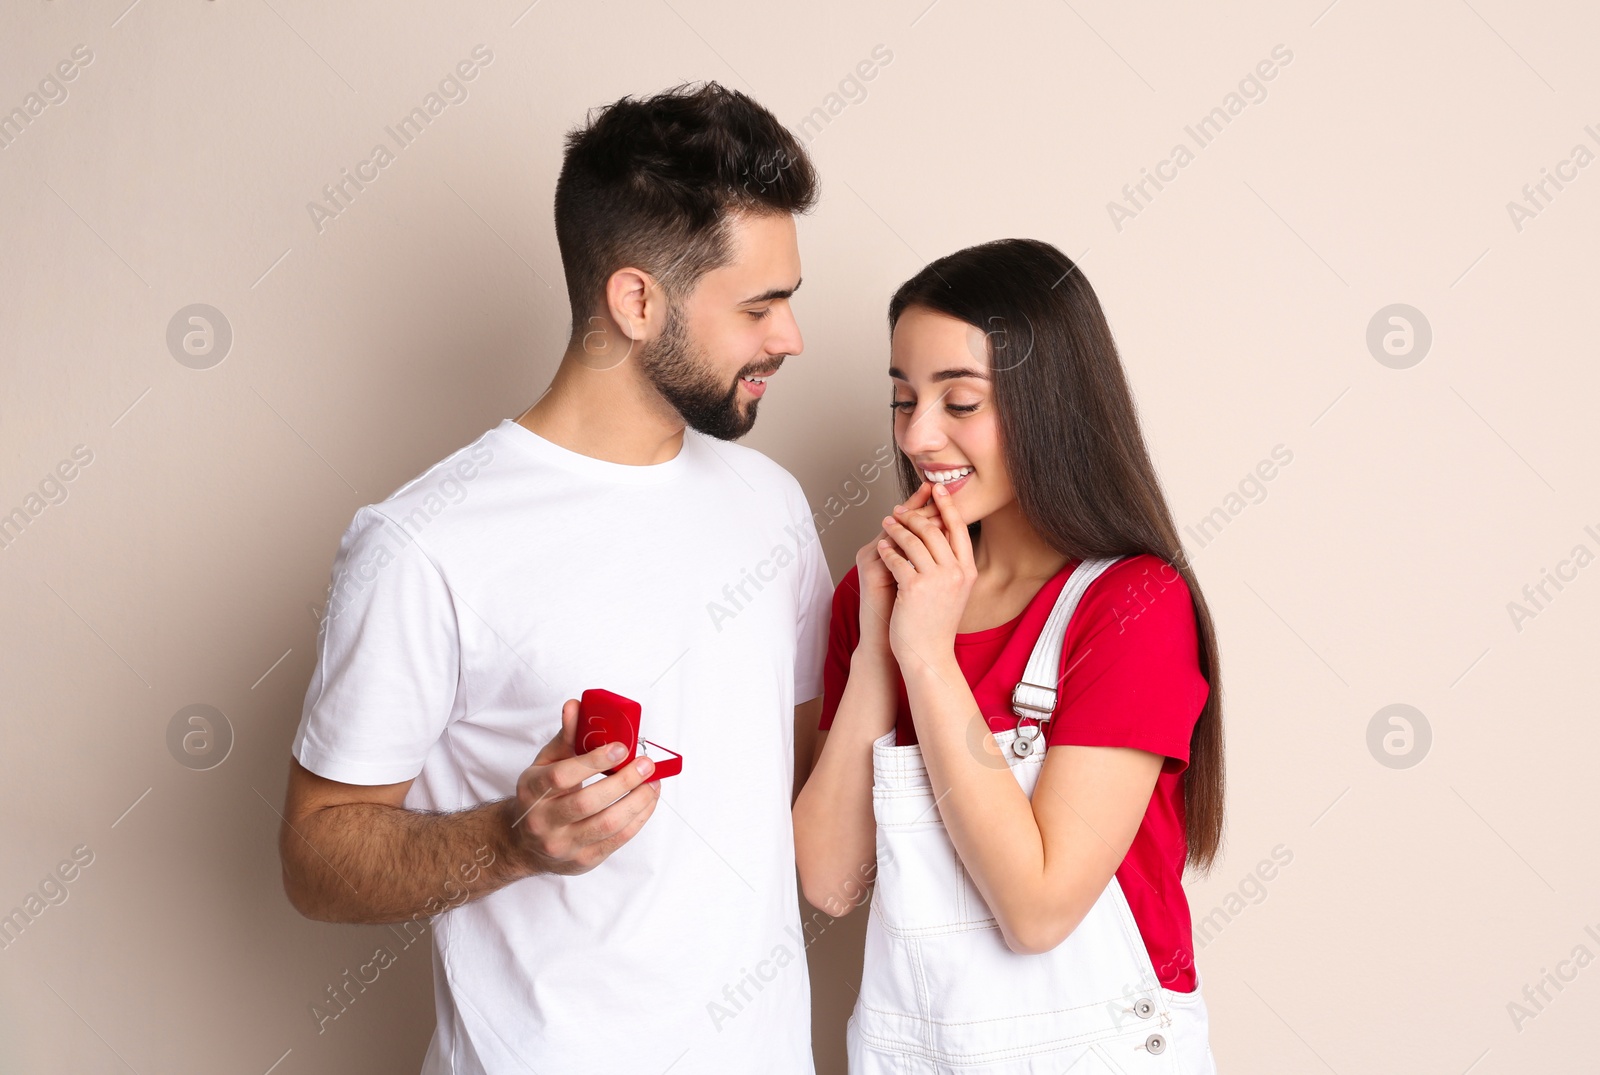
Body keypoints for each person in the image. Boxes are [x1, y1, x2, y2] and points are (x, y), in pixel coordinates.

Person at [278, 82, 832, 1075]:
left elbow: (800, 793)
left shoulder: (774, 509)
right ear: (635, 300)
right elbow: (316, 857)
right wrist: (512, 839)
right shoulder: (423, 542)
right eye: (760, 306)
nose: (790, 338)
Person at [793, 238, 1225, 1072]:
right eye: (903, 398)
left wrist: (927, 655)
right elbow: (830, 881)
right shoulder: (875, 596)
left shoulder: (1133, 604)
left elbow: (1037, 908)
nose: (918, 435)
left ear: (1051, 406)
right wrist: (886, 640)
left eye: (960, 402)